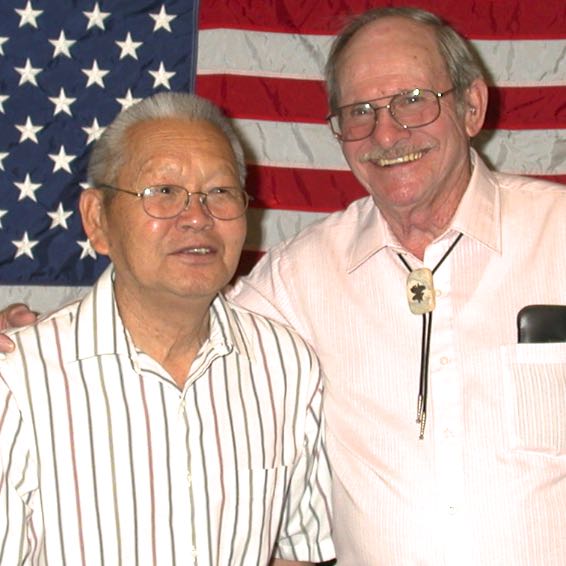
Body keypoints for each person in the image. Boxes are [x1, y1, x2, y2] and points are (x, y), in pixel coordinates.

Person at [2, 7, 566, 565]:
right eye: (360, 111)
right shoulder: (302, 274)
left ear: (472, 106)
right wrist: (39, 340)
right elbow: (171, 302)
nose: (387, 132)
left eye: (413, 100)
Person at [0, 91, 334, 565]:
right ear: (98, 219)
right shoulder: (19, 382)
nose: (197, 217)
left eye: (219, 192)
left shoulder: (286, 366)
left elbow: (298, 550)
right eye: (163, 192)